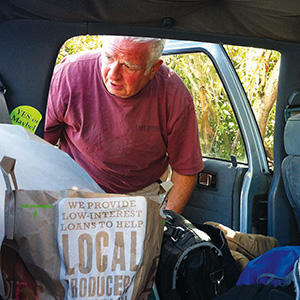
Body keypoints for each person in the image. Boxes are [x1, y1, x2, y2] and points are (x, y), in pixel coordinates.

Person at [44, 35, 204, 213]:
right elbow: (37, 147)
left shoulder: (174, 95)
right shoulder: (69, 75)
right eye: (108, 58)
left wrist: (166, 223)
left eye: (128, 66)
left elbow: (185, 170)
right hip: (75, 188)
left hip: (140, 196)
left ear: (153, 69)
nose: (112, 74)